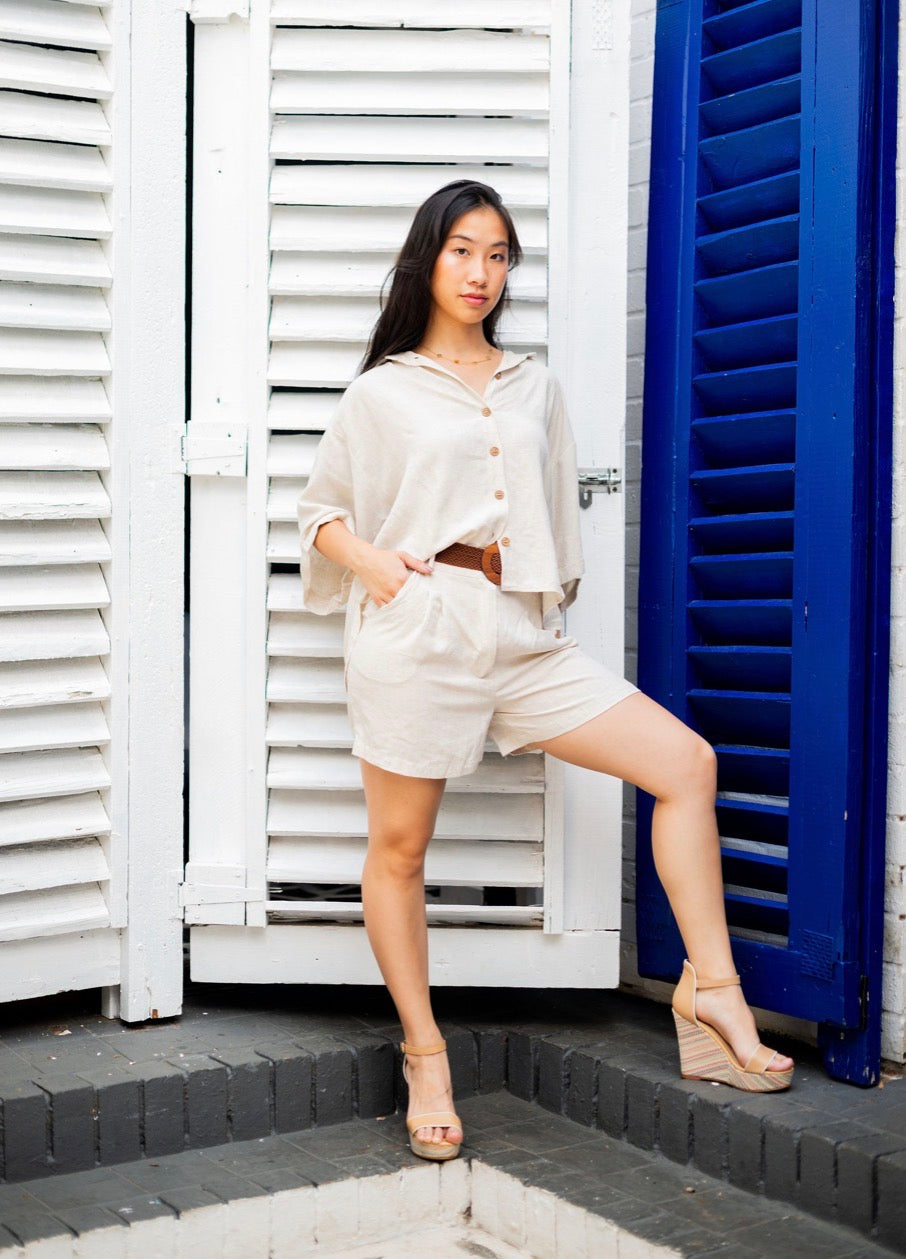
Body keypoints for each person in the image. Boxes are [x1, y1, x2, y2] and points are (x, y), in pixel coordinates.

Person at [296, 180, 794, 1163]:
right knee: (400, 849)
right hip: (420, 626)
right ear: (426, 261)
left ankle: (711, 992)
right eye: (463, 252)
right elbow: (320, 514)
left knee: (685, 764)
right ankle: (426, 1054)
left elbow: (556, 516)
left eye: (498, 254)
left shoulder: (534, 384)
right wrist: (379, 570)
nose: (482, 273)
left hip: (521, 634)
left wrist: (545, 605)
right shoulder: (382, 388)